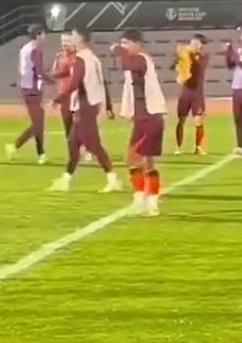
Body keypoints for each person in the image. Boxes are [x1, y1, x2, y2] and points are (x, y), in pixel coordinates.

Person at [49, 27, 121, 193]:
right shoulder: (92, 58)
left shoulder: (81, 59)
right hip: (90, 104)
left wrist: (58, 99)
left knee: (93, 145)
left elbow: (74, 83)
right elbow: (100, 82)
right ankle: (65, 180)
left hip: (85, 106)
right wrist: (107, 105)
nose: (71, 39)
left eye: (73, 36)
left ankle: (112, 178)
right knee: (74, 143)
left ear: (81, 38)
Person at [111, 29, 167, 217]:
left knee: (134, 158)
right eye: (122, 43)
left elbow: (129, 64)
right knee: (146, 161)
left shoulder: (142, 59)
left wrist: (119, 51)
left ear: (138, 43)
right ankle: (148, 201)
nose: (124, 47)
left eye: (127, 43)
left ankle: (144, 199)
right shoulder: (133, 61)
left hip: (151, 116)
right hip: (142, 117)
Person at [6, 24, 52, 164]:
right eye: (43, 34)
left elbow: (24, 69)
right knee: (38, 124)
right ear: (38, 35)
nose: (44, 37)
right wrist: (53, 80)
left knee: (38, 122)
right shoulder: (35, 50)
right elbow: (39, 72)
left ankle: (41, 153)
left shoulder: (25, 48)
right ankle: (16, 146)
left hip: (27, 88)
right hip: (33, 89)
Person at [173, 34, 209, 155]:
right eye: (192, 43)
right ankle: (178, 147)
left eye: (196, 43)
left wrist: (187, 55)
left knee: (198, 121)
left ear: (201, 45)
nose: (193, 45)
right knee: (181, 119)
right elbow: (175, 65)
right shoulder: (185, 54)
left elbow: (198, 66)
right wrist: (178, 57)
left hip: (197, 93)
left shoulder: (204, 57)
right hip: (186, 91)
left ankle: (198, 147)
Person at [50, 32, 77, 139]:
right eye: (63, 41)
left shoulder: (78, 56)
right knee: (68, 128)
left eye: (67, 41)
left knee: (80, 127)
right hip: (64, 96)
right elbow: (54, 73)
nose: (64, 43)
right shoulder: (60, 56)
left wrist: (68, 71)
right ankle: (71, 148)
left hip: (76, 95)